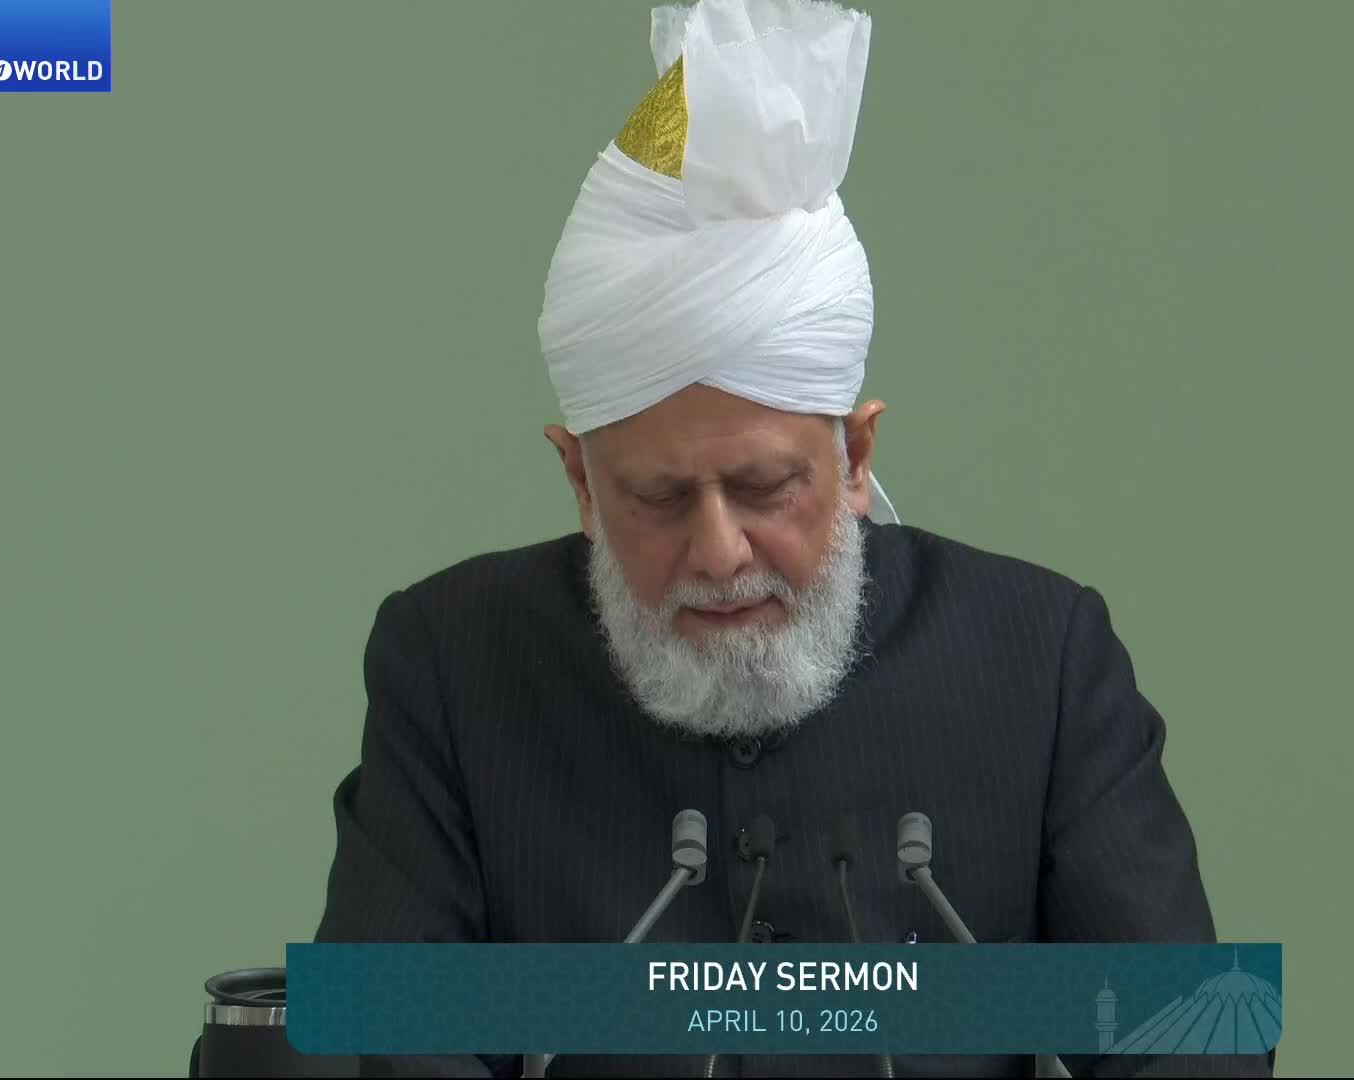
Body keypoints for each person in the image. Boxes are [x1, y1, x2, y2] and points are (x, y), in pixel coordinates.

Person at [315, 1, 1269, 1076]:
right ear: (580, 480)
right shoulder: (453, 660)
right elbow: (378, 1041)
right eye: (661, 500)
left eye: (765, 486)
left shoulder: (1041, 656)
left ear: (856, 460)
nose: (720, 552)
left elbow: (1195, 1040)